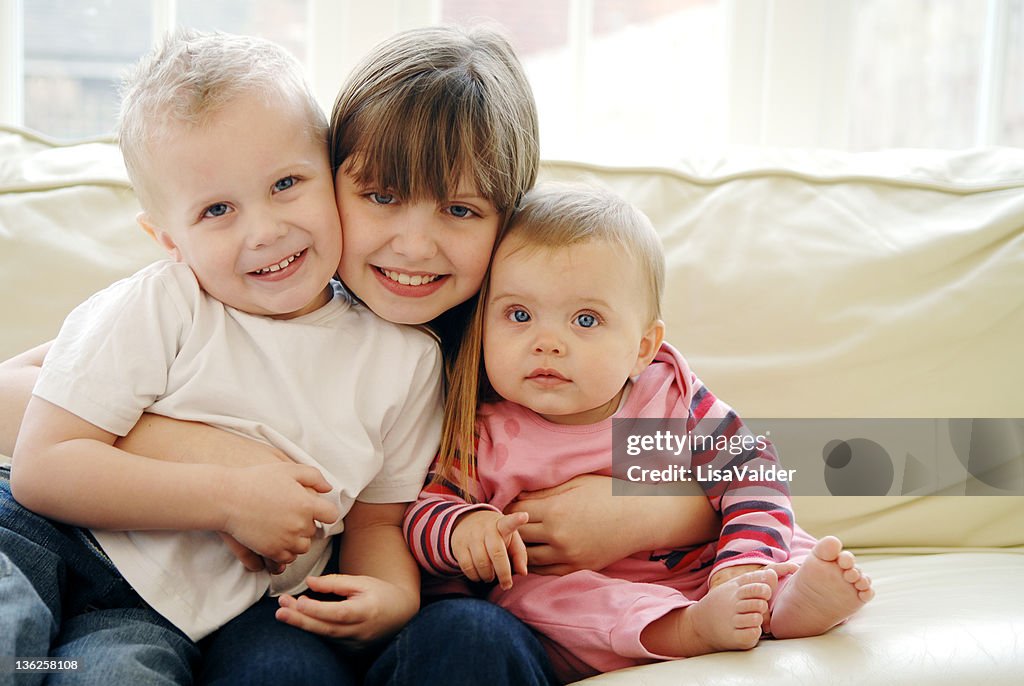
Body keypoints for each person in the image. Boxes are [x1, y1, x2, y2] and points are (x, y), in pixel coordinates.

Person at [0, 25, 724, 686]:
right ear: (329, 174)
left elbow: (825, 461)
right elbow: (19, 393)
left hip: (453, 623)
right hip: (266, 606)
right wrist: (218, 460)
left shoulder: (555, 328)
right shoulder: (250, 295)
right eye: (379, 194)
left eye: (462, 210)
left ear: (512, 216)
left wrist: (652, 508)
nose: (413, 245)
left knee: (468, 637)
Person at [2, 29, 444, 684]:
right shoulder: (166, 304)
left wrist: (391, 593)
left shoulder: (405, 360)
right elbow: (44, 466)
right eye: (216, 210)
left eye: (287, 183)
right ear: (167, 239)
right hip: (36, 535)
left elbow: (379, 517)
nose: (264, 230)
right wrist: (228, 497)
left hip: (161, 612)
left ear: (336, 175)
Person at [405, 183, 876, 682]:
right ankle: (690, 629)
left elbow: (753, 471)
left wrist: (741, 566)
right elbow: (425, 513)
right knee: (538, 600)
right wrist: (463, 530)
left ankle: (785, 601)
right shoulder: (487, 431)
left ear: (642, 347)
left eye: (585, 320)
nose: (546, 343)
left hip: (711, 567)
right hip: (594, 598)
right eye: (519, 315)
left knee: (782, 537)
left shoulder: (669, 398)